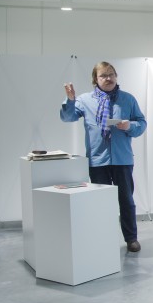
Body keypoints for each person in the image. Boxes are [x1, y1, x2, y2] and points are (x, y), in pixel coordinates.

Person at [60, 61, 147, 252]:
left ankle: (131, 238)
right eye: (103, 76)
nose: (108, 79)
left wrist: (130, 126)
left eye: (111, 74)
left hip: (122, 160)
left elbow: (142, 124)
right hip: (97, 160)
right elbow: (67, 117)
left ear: (116, 76)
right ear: (95, 79)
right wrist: (70, 101)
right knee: (101, 203)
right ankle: (104, 240)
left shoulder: (128, 99)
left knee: (126, 201)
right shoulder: (84, 100)